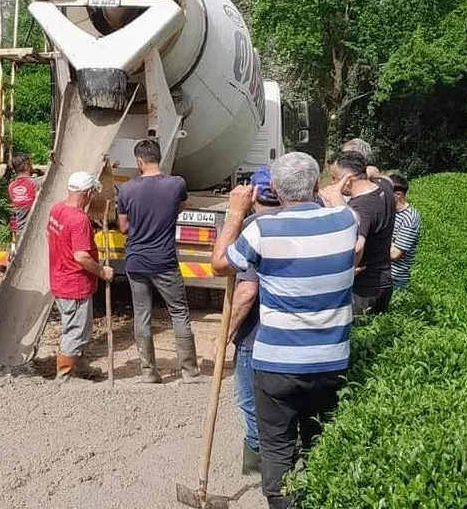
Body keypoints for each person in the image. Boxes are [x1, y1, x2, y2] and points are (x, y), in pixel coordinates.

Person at [211, 152, 358, 509]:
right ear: (315, 186)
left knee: (277, 450)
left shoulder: (263, 230)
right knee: (321, 444)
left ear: (274, 189)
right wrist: (332, 193)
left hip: (277, 364)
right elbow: (338, 207)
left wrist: (234, 212)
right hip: (330, 363)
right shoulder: (345, 222)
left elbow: (219, 264)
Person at [116, 138, 200, 384]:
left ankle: (148, 372)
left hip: (136, 260)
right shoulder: (176, 184)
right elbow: (179, 207)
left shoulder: (127, 189)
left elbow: (123, 227)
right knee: (179, 312)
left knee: (142, 315)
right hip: (165, 260)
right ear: (158, 158)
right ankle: (190, 372)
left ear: (139, 161)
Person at [229, 167, 282, 475]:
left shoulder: (251, 227)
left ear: (252, 194)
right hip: (287, 335)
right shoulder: (299, 222)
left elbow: (247, 291)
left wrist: (229, 330)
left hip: (254, 335)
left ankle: (257, 464)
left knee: (250, 400)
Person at [47, 170, 114, 382]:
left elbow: (49, 236)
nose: (93, 196)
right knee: (75, 330)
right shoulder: (79, 220)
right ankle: (64, 376)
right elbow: (81, 256)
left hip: (60, 279)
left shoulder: (57, 209)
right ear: (87, 193)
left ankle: (79, 365)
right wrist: (102, 271)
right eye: (92, 192)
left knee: (78, 328)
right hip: (74, 284)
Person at [329, 151, 396, 316]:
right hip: (384, 283)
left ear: (348, 180)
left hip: (363, 291)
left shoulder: (361, 207)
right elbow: (380, 175)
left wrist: (348, 274)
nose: (332, 183)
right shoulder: (384, 187)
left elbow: (357, 247)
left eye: (334, 178)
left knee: (357, 338)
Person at [389, 173, 422, 290]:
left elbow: (395, 254)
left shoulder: (410, 218)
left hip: (395, 279)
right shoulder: (390, 212)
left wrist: (376, 240)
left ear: (398, 195)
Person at [7, 152, 41, 261]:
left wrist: (13, 230)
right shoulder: (35, 183)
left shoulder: (11, 186)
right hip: (34, 230)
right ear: (27, 166)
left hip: (18, 230)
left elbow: (12, 211)